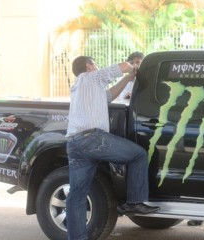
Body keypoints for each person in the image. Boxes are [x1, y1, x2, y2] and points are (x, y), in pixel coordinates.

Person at [66, 56, 159, 240]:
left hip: (75, 144)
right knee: (138, 155)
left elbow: (110, 95)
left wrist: (128, 79)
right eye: (95, 63)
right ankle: (134, 202)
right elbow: (121, 67)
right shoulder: (89, 78)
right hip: (92, 139)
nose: (97, 66)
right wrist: (135, 67)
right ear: (89, 66)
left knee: (76, 196)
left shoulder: (84, 87)